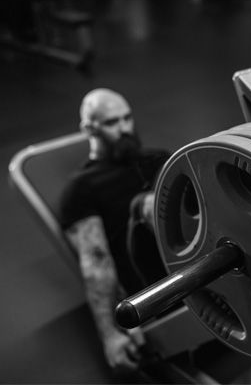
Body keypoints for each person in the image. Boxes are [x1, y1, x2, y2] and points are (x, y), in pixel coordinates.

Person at [59, 88, 170, 374]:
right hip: (158, 292)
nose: (124, 129)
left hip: (198, 260)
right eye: (112, 122)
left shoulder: (158, 159)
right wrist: (110, 334)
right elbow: (96, 263)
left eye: (127, 118)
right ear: (89, 129)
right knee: (145, 205)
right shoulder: (82, 188)